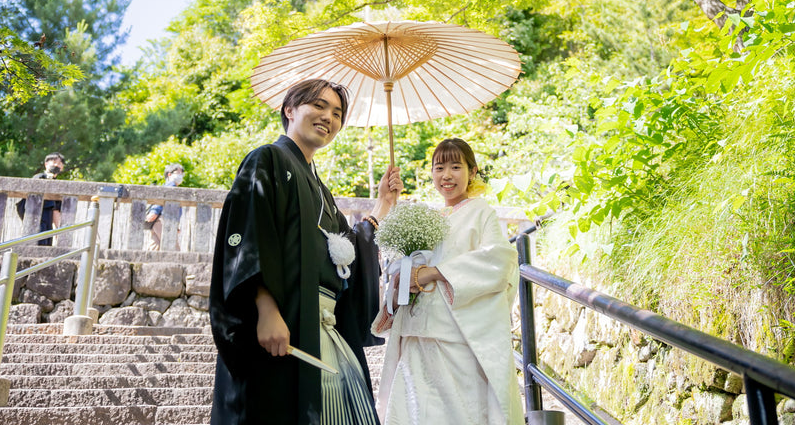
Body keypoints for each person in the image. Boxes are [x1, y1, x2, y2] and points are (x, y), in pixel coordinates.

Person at [210, 78, 403, 425]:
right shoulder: (266, 159)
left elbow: (346, 249)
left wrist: (382, 205)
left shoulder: (323, 193)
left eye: (337, 112)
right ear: (289, 110)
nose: (328, 116)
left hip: (326, 328)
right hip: (286, 319)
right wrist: (266, 309)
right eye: (318, 105)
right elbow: (251, 235)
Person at [374, 138, 526, 425]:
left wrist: (433, 272)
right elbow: (402, 274)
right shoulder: (427, 217)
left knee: (458, 414)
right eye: (439, 167)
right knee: (415, 413)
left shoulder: (481, 211)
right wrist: (404, 280)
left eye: (456, 167)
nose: (446, 175)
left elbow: (499, 260)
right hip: (417, 336)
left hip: (458, 337)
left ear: (472, 171)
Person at [17, 152, 65, 246]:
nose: (57, 165)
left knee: (46, 244)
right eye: (54, 162)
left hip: (48, 222)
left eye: (59, 164)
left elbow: (56, 210)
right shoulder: (39, 177)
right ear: (46, 164)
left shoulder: (58, 186)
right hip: (35, 217)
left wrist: (58, 231)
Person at [144, 163, 186, 251]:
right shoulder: (171, 186)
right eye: (178, 172)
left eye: (181, 173)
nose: (180, 175)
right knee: (172, 245)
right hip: (163, 219)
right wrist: (154, 211)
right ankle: (178, 263)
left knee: (155, 245)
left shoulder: (170, 186)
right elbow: (161, 199)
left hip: (159, 220)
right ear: (169, 174)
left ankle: (147, 262)